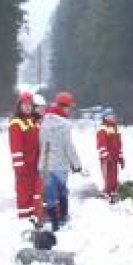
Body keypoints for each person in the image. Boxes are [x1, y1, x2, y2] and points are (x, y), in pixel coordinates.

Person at [38, 91, 83, 232]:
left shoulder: (44, 120)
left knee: (50, 195)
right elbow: (68, 147)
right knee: (62, 192)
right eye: (69, 107)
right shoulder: (65, 125)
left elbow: (41, 142)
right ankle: (63, 218)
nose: (70, 110)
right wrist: (77, 165)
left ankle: (54, 224)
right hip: (60, 166)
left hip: (45, 165)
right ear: (64, 107)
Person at [8, 91, 42, 221]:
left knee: (37, 192)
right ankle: (24, 220)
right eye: (24, 104)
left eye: (30, 104)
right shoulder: (16, 123)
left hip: (37, 165)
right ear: (19, 106)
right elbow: (15, 147)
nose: (27, 107)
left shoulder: (35, 121)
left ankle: (36, 217)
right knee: (24, 194)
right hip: (24, 166)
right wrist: (19, 167)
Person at [96, 107, 124, 203]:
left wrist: (121, 157)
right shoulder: (102, 129)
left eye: (113, 115)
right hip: (107, 159)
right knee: (108, 177)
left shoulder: (115, 128)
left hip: (115, 158)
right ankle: (107, 193)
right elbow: (101, 144)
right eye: (111, 115)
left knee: (114, 177)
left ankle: (113, 193)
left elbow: (119, 144)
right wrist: (106, 156)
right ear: (105, 117)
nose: (113, 117)